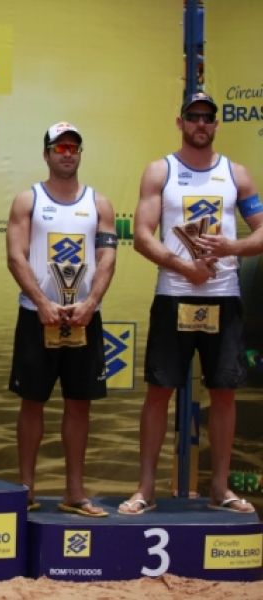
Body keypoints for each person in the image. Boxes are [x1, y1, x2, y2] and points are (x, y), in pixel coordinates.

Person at [119, 92, 261, 515]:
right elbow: (142, 235)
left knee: (223, 393)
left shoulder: (236, 174)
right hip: (174, 294)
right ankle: (146, 488)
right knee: (159, 391)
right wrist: (184, 268)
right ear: (180, 122)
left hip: (223, 296)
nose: (201, 123)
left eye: (208, 117)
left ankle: (219, 488)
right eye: (193, 116)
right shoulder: (160, 171)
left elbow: (261, 231)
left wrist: (233, 247)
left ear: (216, 124)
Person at [6, 122, 116, 517]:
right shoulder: (28, 200)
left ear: (80, 154)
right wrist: (41, 302)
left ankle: (75, 493)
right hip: (37, 316)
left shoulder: (99, 203)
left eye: (73, 147)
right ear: (46, 154)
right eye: (60, 147)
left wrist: (91, 303)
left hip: (84, 317)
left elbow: (107, 257)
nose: (67, 154)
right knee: (32, 403)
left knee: (79, 404)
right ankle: (26, 490)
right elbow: (16, 256)